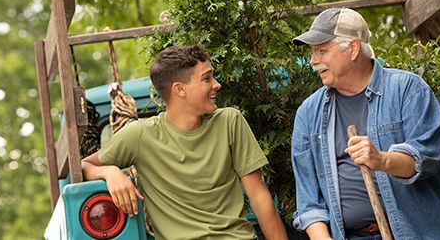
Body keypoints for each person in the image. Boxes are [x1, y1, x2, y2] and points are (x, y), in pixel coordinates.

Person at [82, 44, 287, 240]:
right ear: (180, 89)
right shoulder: (140, 135)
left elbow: (260, 197)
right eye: (206, 79)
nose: (217, 84)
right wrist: (109, 172)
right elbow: (84, 166)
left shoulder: (229, 122)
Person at [290, 7, 440, 240]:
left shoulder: (408, 90)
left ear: (353, 48)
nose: (314, 61)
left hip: (414, 233)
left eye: (321, 51)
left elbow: (425, 160)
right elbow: (309, 200)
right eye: (312, 52)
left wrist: (381, 160)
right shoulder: (308, 113)